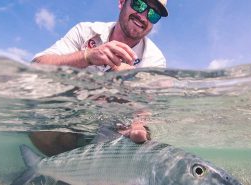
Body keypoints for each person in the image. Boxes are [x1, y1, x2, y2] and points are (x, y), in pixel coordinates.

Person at [30, 0, 169, 156]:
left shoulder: (154, 60)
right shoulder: (85, 30)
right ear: (122, 2)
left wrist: (138, 125)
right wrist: (87, 56)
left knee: (130, 145)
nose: (144, 16)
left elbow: (145, 107)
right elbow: (37, 66)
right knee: (42, 125)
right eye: (139, 4)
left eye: (153, 14)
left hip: (110, 123)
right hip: (70, 111)